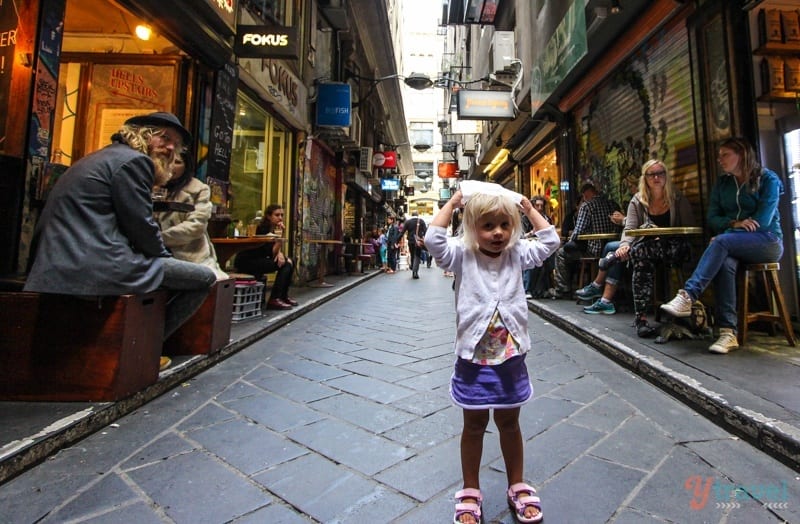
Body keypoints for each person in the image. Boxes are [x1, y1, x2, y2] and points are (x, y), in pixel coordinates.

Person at [24, 112, 217, 370]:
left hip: (67, 257)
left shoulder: (106, 156)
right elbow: (140, 224)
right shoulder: (135, 162)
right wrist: (163, 256)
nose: (171, 147)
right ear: (142, 134)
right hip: (94, 260)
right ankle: (147, 347)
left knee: (171, 273)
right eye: (164, 137)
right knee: (203, 278)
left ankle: (134, 341)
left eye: (176, 144)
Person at [425, 185, 558, 524]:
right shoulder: (462, 253)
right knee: (473, 423)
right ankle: (470, 489)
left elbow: (550, 241)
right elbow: (433, 240)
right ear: (472, 228)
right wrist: (454, 202)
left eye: (504, 225)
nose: (497, 233)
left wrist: (527, 207)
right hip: (473, 357)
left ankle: (517, 483)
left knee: (509, 423)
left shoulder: (517, 252)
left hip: (510, 357)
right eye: (487, 226)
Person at [661, 137, 784, 354]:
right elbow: (712, 218)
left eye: (725, 155)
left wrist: (725, 235)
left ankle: (688, 295)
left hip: (768, 242)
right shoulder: (723, 183)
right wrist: (733, 225)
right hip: (734, 244)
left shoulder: (768, 179)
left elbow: (762, 222)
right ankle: (728, 333)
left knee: (721, 243)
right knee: (725, 260)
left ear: (742, 155)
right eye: (719, 156)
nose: (720, 160)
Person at [154, 150, 228, 279]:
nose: (171, 166)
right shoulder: (151, 186)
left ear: (186, 166)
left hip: (190, 255)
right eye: (167, 161)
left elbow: (196, 226)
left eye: (177, 162)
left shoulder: (198, 189)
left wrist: (159, 238)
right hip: (153, 255)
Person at [554, 183, 624, 297]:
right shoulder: (613, 204)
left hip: (594, 250)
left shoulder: (587, 206)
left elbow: (578, 232)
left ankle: (562, 289)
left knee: (561, 253)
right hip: (614, 248)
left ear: (586, 194)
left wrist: (569, 241)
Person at [234, 204, 297, 310]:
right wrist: (280, 239)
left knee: (291, 261)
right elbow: (271, 252)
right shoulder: (262, 228)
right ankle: (275, 298)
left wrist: (279, 252)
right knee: (285, 264)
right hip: (248, 261)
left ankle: (283, 296)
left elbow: (274, 250)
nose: (280, 218)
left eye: (282, 215)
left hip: (258, 260)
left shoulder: (273, 229)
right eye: (277, 215)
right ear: (268, 216)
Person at [522, 196, 556, 298]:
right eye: (537, 205)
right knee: (531, 260)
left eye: (541, 205)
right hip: (530, 244)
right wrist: (532, 232)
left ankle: (547, 287)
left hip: (542, 245)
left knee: (552, 255)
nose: (540, 208)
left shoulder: (546, 218)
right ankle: (527, 289)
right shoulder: (524, 219)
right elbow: (522, 236)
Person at [403, 211, 428, 279]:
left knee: (412, 254)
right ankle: (415, 272)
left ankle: (412, 267)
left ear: (412, 215)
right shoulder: (421, 221)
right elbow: (426, 232)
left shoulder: (408, 222)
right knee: (417, 256)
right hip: (418, 242)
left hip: (410, 242)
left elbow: (402, 232)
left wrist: (396, 241)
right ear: (418, 215)